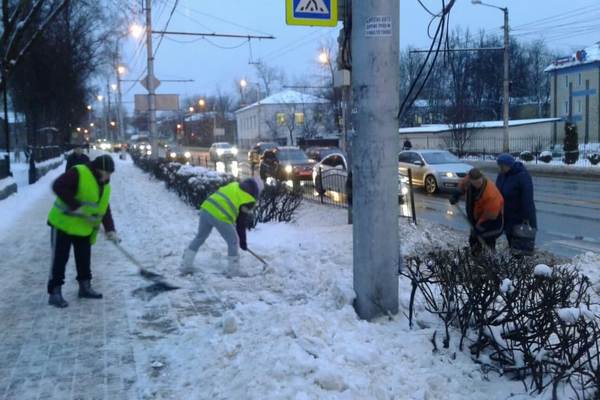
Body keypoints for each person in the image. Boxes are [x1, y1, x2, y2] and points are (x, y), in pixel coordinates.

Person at [47, 155, 120, 308]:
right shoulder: (79, 172)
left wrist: (110, 229)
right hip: (63, 224)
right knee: (60, 259)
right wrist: (76, 206)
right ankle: (55, 292)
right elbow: (58, 186)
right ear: (98, 168)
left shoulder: (105, 185)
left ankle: (85, 288)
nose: (108, 176)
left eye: (110, 174)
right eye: (106, 172)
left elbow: (104, 208)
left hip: (83, 227)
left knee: (84, 258)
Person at [180, 177, 264, 277]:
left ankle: (186, 264)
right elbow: (240, 224)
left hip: (206, 208)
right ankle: (233, 270)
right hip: (219, 216)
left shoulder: (234, 185)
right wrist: (242, 242)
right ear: (257, 191)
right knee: (233, 241)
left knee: (200, 237)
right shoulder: (249, 199)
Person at [450, 168, 504, 254]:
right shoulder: (469, 179)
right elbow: (462, 184)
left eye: (479, 182)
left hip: (493, 221)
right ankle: (476, 258)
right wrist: (456, 195)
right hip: (476, 215)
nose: (477, 185)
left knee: (486, 239)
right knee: (473, 240)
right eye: (475, 183)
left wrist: (478, 228)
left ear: (482, 178)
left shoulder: (491, 194)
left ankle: (490, 260)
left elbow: (490, 216)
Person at [496, 154, 537, 252]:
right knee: (511, 242)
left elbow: (527, 198)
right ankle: (514, 263)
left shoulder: (522, 176)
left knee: (520, 245)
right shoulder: (502, 175)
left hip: (520, 216)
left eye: (502, 166)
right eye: (499, 166)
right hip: (508, 215)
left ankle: (520, 264)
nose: (500, 168)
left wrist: (526, 217)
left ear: (509, 165)